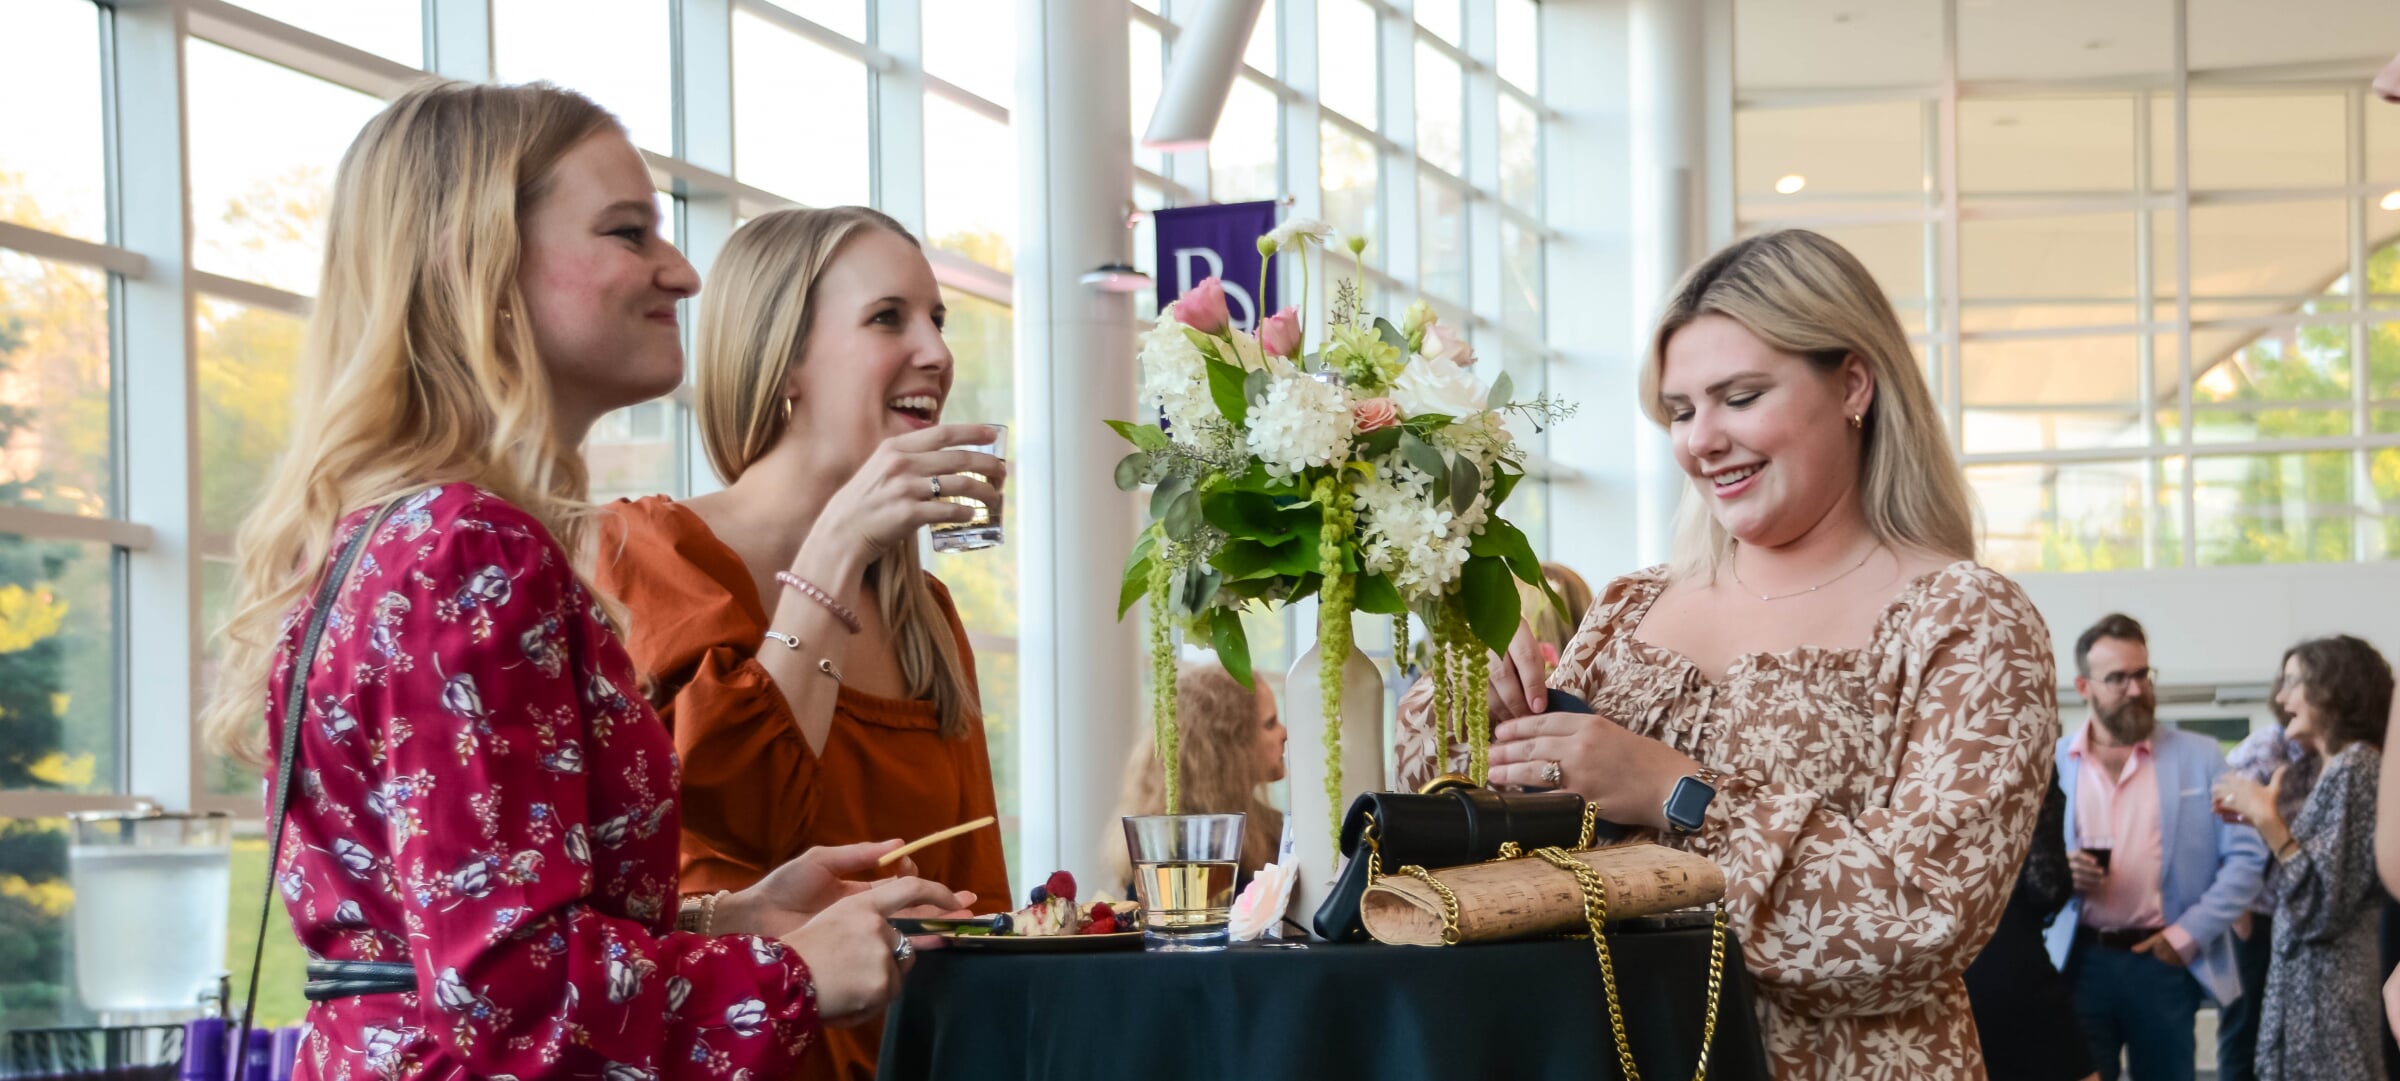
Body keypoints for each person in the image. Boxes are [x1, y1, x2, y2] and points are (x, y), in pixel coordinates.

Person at [196, 81, 970, 1080]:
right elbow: (509, 993)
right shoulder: (467, 550)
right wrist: (785, 971)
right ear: (477, 261)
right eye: (628, 232)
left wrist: (728, 917)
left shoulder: (397, 534)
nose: (683, 272)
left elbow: (459, 929)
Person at [1398, 228, 2060, 1081]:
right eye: (1680, 411)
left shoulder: (1965, 620)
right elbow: (1486, 863)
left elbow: (1922, 921)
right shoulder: (1631, 608)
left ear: (1854, 382)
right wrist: (1470, 709)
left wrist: (1678, 792)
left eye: (1739, 397)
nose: (1700, 439)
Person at [594, 206, 1009, 1081]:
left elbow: (979, 900)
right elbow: (737, 811)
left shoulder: (923, 608)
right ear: (783, 360)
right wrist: (838, 544)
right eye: (888, 316)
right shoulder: (650, 555)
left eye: (939, 319)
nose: (935, 350)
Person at [2047, 614, 2266, 1081]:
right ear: (2083, 686)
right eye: (2118, 678)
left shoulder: (2201, 756)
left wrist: (2185, 937)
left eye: (2142, 674)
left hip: (2163, 961)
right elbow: (2020, 860)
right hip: (2078, 961)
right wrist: (2059, 871)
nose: (2135, 689)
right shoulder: (2054, 762)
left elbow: (2247, 859)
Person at [2213, 635, 2392, 1081]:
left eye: (2293, 682)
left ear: (2333, 689)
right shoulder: (2338, 767)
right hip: (2314, 997)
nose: (2281, 697)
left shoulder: (2355, 768)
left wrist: (2268, 821)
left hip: (2329, 1001)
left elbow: (2320, 910)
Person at [2215, 695, 2325, 1081]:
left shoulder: (2335, 756)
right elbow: (2217, 826)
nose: (2286, 695)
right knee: (2245, 1033)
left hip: (2307, 914)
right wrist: (2237, 909)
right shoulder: (2264, 751)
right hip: (2259, 918)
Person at [1106, 661, 1288, 891]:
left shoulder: (1273, 828)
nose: (1284, 732)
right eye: (1270, 724)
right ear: (1230, 747)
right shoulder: (1168, 851)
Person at [1964, 775, 2100, 1081]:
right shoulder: (2024, 755)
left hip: (1941, 969)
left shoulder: (1922, 752)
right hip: (2011, 961)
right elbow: (2046, 888)